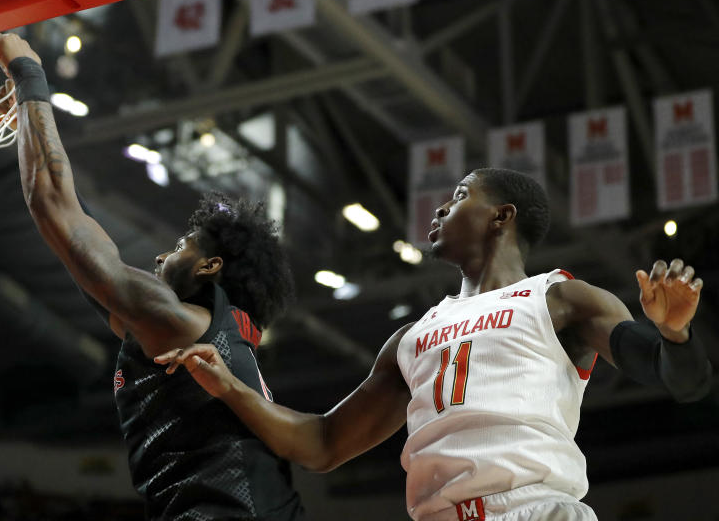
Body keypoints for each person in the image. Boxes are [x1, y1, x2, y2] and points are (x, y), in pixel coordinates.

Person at [157, 168, 713, 521]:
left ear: (502, 216)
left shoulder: (561, 298)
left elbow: (679, 380)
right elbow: (323, 443)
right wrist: (229, 388)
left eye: (461, 195)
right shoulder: (411, 337)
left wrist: (675, 334)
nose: (442, 208)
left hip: (533, 509)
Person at [0, 32, 305, 520]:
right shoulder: (219, 337)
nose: (161, 256)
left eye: (181, 246)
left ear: (210, 266)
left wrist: (29, 74)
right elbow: (71, 224)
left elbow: (51, 201)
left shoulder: (182, 323)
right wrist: (25, 107)